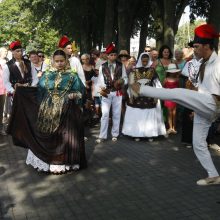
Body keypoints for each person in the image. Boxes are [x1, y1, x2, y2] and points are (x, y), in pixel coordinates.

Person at [131, 24, 220, 186]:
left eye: (197, 46)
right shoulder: (202, 63)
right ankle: (213, 175)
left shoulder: (218, 64)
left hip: (213, 103)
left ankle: (141, 89)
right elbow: (201, 89)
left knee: (177, 93)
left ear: (207, 46)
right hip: (203, 105)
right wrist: (196, 108)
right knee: (198, 144)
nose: (194, 50)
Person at [7, 49, 87, 174]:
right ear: (53, 61)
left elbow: (81, 91)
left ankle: (63, 163)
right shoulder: (47, 75)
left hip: (66, 111)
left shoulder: (73, 76)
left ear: (66, 61)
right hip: (47, 110)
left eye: (62, 61)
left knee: (63, 137)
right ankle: (46, 162)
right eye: (57, 61)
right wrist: (23, 90)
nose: (59, 63)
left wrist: (74, 94)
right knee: (46, 135)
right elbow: (39, 90)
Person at [122, 52, 166, 142]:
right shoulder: (134, 71)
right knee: (137, 116)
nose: (145, 63)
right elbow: (130, 84)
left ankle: (150, 134)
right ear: (140, 61)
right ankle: (136, 134)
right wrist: (130, 95)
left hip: (149, 96)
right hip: (136, 96)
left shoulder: (152, 71)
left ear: (149, 60)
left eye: (146, 61)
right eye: (143, 61)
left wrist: (156, 96)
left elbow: (157, 84)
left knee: (149, 115)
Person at [95, 43, 127, 143]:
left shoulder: (121, 65)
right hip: (107, 92)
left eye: (114, 55)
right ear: (107, 55)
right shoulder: (102, 66)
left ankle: (115, 134)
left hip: (117, 93)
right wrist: (102, 87)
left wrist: (122, 81)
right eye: (111, 55)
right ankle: (102, 135)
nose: (113, 56)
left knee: (116, 114)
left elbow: (125, 78)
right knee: (105, 114)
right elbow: (100, 79)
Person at [163, 64, 180, 134]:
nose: (172, 72)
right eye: (171, 71)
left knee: (174, 113)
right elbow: (163, 87)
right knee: (169, 113)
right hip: (168, 97)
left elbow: (178, 88)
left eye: (174, 71)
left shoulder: (177, 79)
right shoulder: (166, 79)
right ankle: (170, 127)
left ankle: (174, 128)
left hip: (175, 97)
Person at [0, 47, 8, 135]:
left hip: (3, 89)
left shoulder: (7, 62)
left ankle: (1, 128)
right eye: (4, 51)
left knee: (1, 110)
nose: (6, 53)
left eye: (6, 51)